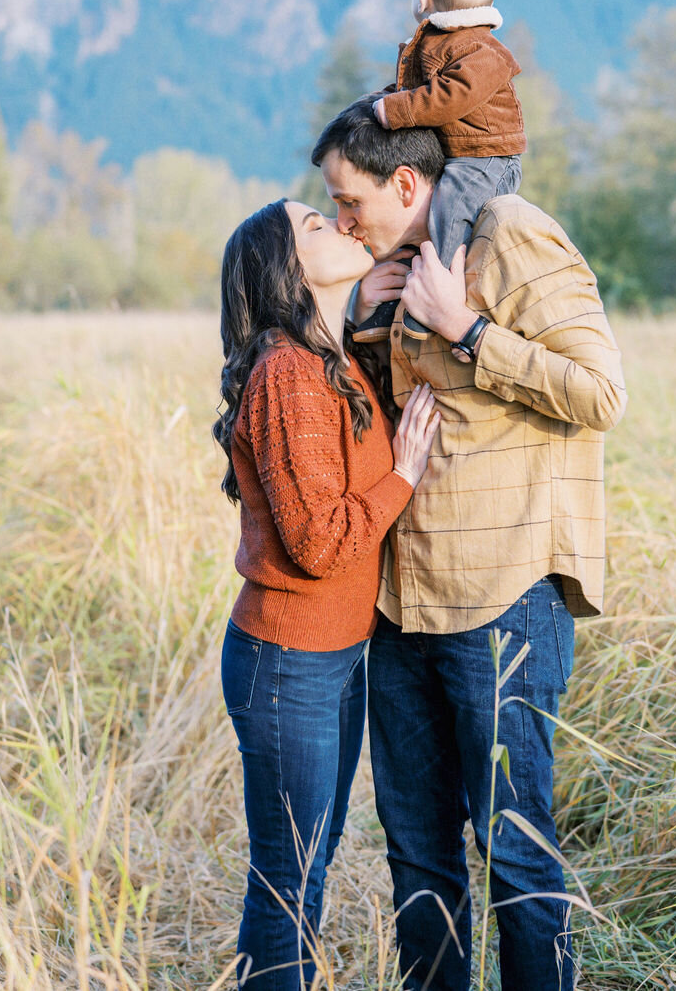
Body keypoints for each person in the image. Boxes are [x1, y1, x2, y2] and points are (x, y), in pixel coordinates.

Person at [311, 102, 627, 991]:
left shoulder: (511, 234)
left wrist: (470, 329)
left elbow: (601, 393)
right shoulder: (394, 268)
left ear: (405, 183)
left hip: (500, 604)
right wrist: (357, 322)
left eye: (349, 202)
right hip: (398, 606)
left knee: (516, 858)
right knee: (417, 857)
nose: (342, 222)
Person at [213, 198, 440, 991]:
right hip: (290, 663)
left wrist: (370, 303)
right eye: (315, 225)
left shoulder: (327, 361)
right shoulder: (289, 373)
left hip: (332, 657)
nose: (340, 224)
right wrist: (406, 476)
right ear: (286, 269)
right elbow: (320, 543)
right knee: (289, 878)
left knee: (310, 863)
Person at [368, 0, 525, 305]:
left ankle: (447, 302)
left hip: (485, 159)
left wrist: (396, 110)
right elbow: (415, 90)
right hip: (459, 153)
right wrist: (381, 103)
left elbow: (448, 98)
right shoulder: (440, 41)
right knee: (421, 213)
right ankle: (398, 289)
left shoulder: (481, 50)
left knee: (452, 212)